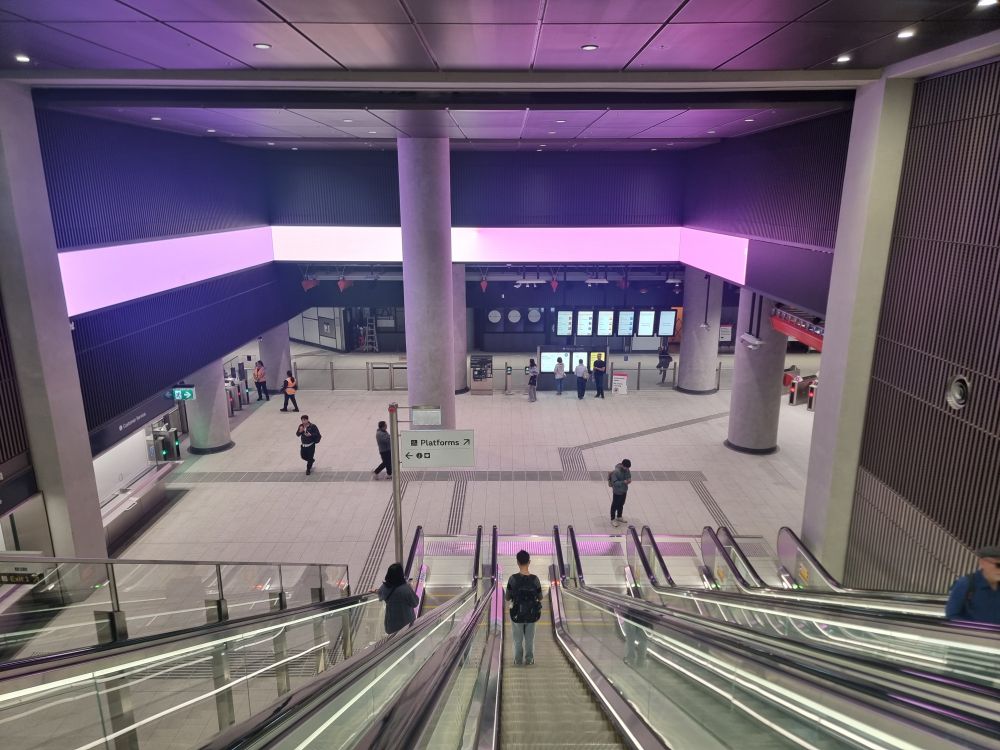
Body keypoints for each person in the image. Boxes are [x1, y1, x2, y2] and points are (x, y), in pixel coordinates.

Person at [945, 545, 1000, 624]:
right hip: (972, 635)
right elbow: (952, 615)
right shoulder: (965, 584)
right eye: (998, 565)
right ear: (983, 563)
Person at [506, 550, 542, 665]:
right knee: (529, 639)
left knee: (517, 639)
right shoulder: (535, 579)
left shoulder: (512, 579)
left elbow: (507, 597)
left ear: (517, 562)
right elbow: (540, 597)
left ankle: (518, 660)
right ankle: (529, 660)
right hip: (532, 614)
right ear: (529, 562)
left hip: (516, 614)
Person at [378, 563, 419, 635]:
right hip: (407, 624)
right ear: (401, 575)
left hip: (391, 625)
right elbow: (415, 603)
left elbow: (380, 596)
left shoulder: (384, 587)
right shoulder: (405, 589)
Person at [608, 458, 632, 527]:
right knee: (614, 505)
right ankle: (612, 519)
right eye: (626, 467)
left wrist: (629, 480)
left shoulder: (627, 470)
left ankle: (619, 516)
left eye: (628, 468)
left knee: (621, 504)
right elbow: (614, 483)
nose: (627, 469)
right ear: (622, 465)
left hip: (624, 490)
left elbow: (629, 476)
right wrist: (623, 482)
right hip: (617, 491)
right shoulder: (616, 472)